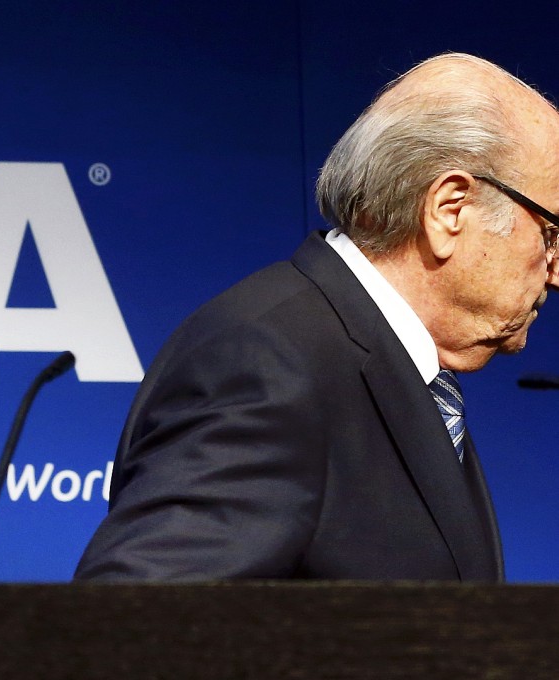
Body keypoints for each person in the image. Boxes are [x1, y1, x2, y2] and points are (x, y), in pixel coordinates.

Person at [74, 53, 559, 582]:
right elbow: (134, 615)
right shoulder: (269, 364)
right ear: (450, 210)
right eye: (551, 234)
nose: (555, 272)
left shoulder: (397, 369)